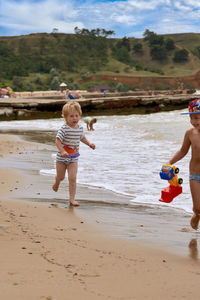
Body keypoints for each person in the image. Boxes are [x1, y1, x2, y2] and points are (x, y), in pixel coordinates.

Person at [52, 101, 95, 206]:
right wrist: (62, 151)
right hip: (62, 158)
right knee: (61, 177)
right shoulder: (64, 129)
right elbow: (57, 140)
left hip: (74, 158)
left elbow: (82, 138)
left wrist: (89, 143)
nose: (74, 118)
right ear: (65, 117)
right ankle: (57, 182)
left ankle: (72, 199)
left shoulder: (80, 128)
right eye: (71, 116)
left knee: (73, 178)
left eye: (76, 116)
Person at [167, 99, 200, 230]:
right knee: (197, 207)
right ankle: (196, 215)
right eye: (191, 118)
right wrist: (169, 162)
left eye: (197, 118)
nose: (194, 121)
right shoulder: (190, 133)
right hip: (195, 175)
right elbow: (183, 151)